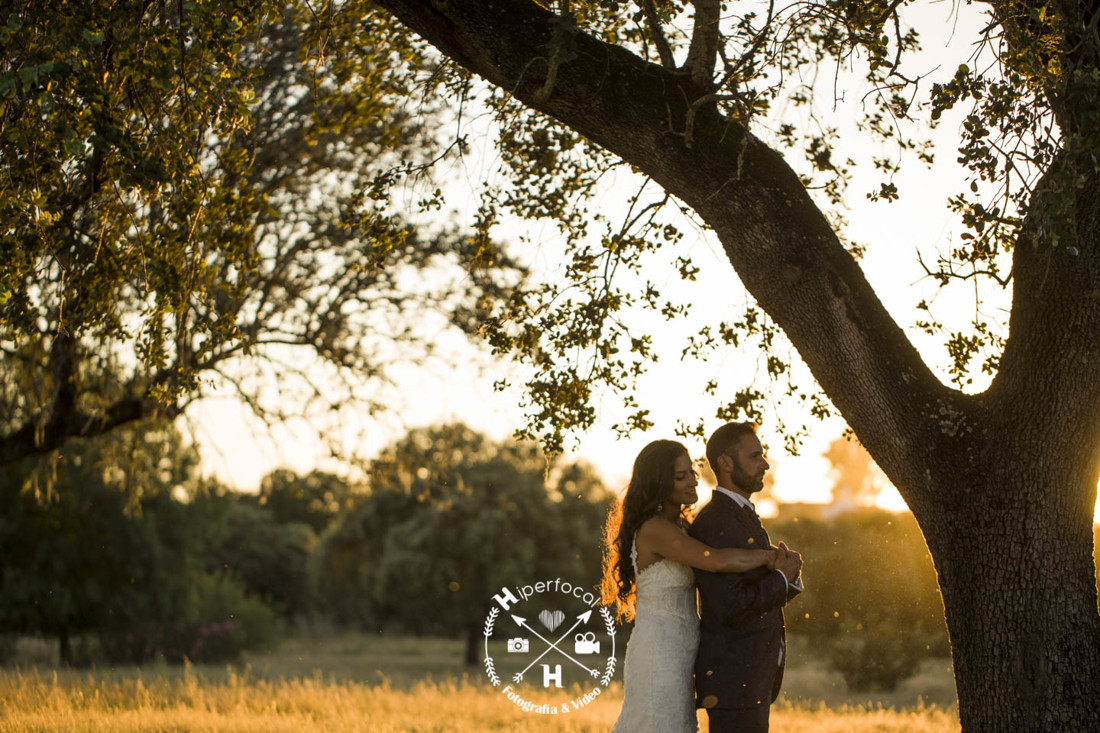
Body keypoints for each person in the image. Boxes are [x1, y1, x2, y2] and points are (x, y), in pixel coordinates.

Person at [601, 439, 780, 733]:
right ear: (660, 483)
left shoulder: (683, 528)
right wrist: (771, 558)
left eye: (692, 473)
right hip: (659, 654)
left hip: (685, 654)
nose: (692, 482)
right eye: (680, 476)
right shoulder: (654, 529)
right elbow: (717, 561)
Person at [689, 422, 803, 733]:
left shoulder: (741, 513)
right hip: (734, 678)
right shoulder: (716, 521)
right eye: (755, 456)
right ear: (725, 463)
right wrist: (781, 577)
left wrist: (788, 578)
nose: (765, 463)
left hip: (748, 679)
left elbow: (753, 589)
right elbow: (730, 605)